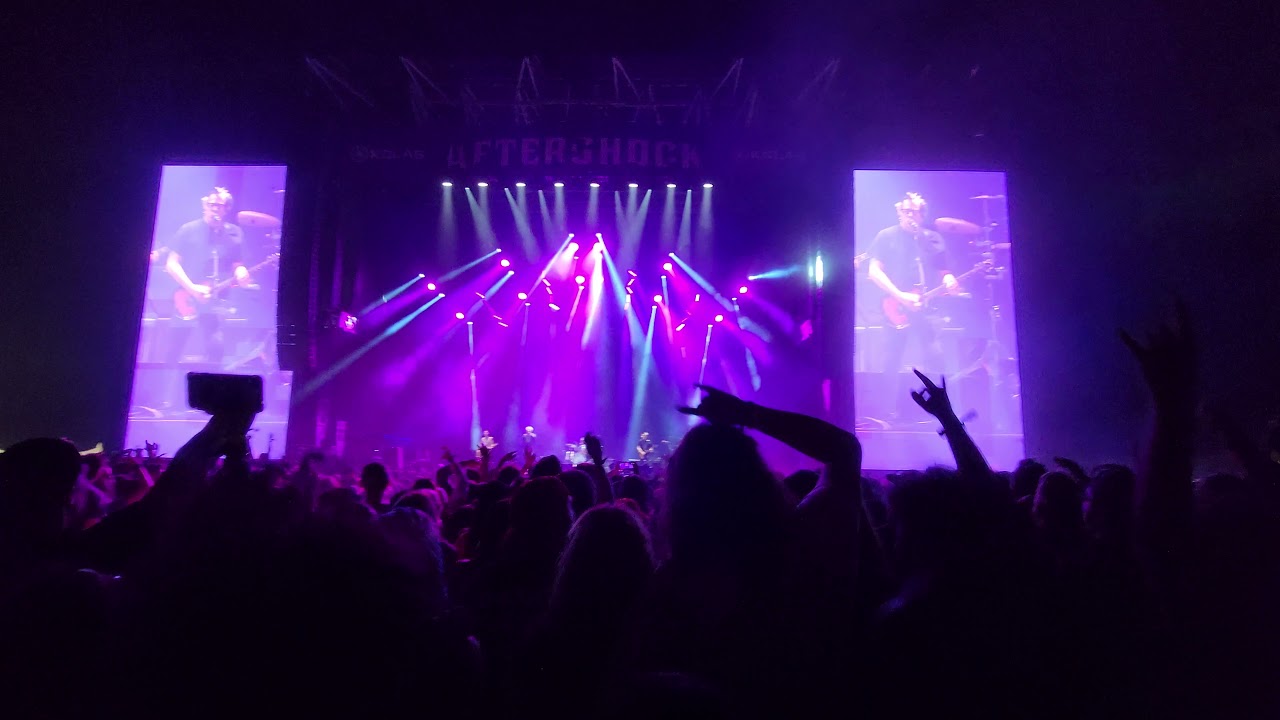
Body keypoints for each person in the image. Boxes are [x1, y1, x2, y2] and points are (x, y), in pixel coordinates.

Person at [866, 192, 958, 378]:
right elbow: (874, 271)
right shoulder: (886, 236)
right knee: (891, 362)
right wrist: (900, 296)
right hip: (895, 308)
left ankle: (937, 395)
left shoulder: (932, 238)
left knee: (936, 360)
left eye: (913, 212)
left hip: (927, 309)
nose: (909, 215)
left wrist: (949, 280)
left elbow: (944, 271)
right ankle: (888, 396)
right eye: (905, 211)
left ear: (921, 215)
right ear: (899, 212)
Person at [164, 187, 252, 365]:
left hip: (214, 301)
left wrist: (241, 271)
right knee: (174, 351)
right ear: (204, 206)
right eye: (211, 204)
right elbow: (171, 264)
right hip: (186, 298)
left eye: (219, 206)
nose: (215, 209)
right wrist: (192, 289)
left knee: (216, 349)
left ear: (227, 209)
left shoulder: (233, 233)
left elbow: (236, 263)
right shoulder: (188, 229)